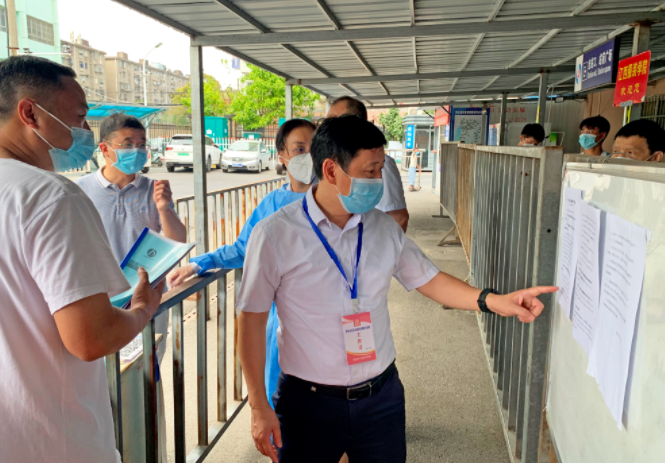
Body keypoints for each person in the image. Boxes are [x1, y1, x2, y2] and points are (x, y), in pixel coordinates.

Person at [237, 115, 557, 463]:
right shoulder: (275, 235)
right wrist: (258, 405)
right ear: (331, 170)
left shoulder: (382, 228)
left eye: (381, 170)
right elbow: (250, 320)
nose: (379, 181)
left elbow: (430, 279)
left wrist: (492, 301)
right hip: (308, 404)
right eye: (370, 171)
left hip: (380, 399)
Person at [0, 56, 163, 463]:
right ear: (30, 114)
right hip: (55, 440)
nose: (86, 131)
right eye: (78, 117)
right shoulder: (51, 195)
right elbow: (91, 338)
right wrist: (142, 309)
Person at [167, 119, 317, 409]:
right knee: (282, 397)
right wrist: (199, 265)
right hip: (284, 318)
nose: (308, 156)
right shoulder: (273, 204)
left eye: (314, 148)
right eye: (300, 149)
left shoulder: (336, 201)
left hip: (328, 316)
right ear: (281, 156)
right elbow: (244, 247)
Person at [75, 113, 186, 463]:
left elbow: (176, 240)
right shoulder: (80, 191)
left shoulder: (153, 189)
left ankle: (142, 450)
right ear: (105, 149)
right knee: (97, 387)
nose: (137, 152)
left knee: (140, 383)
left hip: (145, 308)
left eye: (141, 145)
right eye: (127, 145)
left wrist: (164, 208)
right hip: (99, 307)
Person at [327, 96, 409, 232]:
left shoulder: (380, 164)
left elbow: (399, 218)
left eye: (334, 120)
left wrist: (376, 245)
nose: (327, 127)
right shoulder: (332, 160)